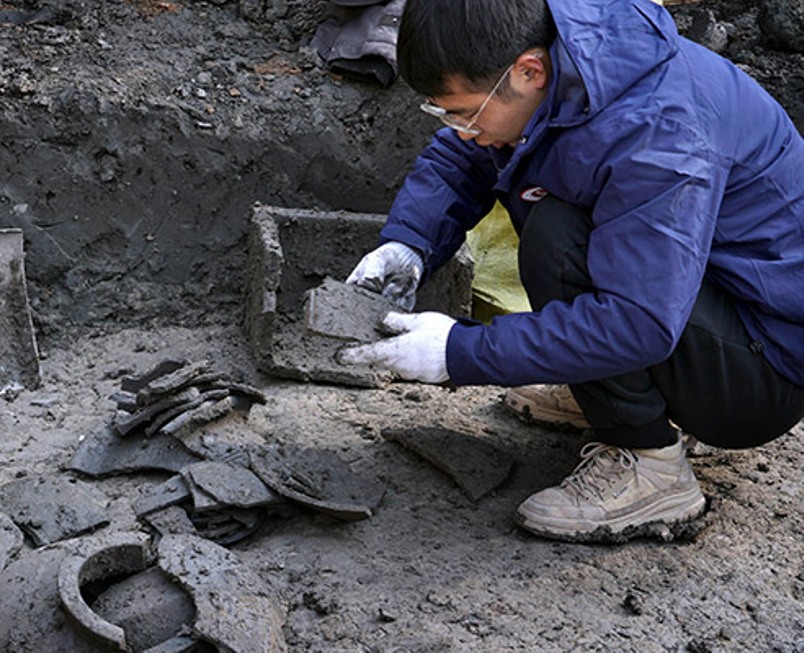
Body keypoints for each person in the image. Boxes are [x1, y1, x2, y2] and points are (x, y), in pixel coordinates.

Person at [339, 0, 804, 543]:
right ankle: (607, 387)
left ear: (529, 71)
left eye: (463, 112)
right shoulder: (570, 62)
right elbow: (464, 155)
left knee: (557, 240)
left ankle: (650, 465)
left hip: (762, 364)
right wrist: (409, 244)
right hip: (707, 302)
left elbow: (636, 323)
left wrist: (457, 353)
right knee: (553, 216)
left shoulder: (659, 138)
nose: (459, 129)